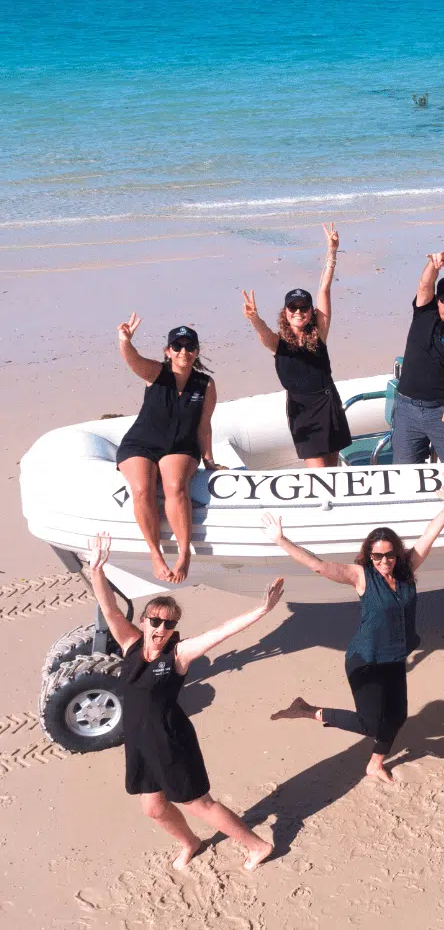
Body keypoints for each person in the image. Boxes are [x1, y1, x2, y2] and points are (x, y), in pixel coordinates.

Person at [85, 532, 280, 871]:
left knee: (197, 802)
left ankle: (257, 845)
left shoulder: (179, 653)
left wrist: (262, 609)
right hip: (140, 742)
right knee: (154, 808)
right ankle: (191, 842)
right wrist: (97, 570)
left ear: (174, 627)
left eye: (168, 623)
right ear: (144, 621)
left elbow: (222, 632)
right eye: (155, 620)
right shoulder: (130, 641)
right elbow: (108, 607)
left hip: (170, 740)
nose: (160, 627)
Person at [263, 475, 444, 782]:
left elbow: (429, 535)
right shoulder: (361, 576)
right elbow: (318, 565)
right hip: (365, 660)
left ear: (397, 553)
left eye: (389, 554)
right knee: (372, 725)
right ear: (369, 554)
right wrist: (281, 540)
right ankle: (306, 711)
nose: (384, 560)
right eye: (377, 555)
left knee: (397, 717)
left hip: (394, 657)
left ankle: (375, 764)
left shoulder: (407, 570)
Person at [115, 316, 218, 583]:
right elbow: (133, 359)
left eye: (189, 347)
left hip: (181, 446)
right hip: (141, 443)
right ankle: (155, 553)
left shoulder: (205, 384)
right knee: (141, 489)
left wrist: (209, 460)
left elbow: (204, 426)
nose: (183, 351)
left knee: (175, 487)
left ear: (197, 351)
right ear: (168, 351)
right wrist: (125, 341)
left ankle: (185, 554)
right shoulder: (156, 373)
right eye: (177, 346)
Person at [241, 223, 351, 467]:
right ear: (286, 312)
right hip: (302, 410)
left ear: (311, 312)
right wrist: (254, 318)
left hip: (328, 402)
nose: (298, 312)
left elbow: (324, 288)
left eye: (304, 307)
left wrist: (332, 251)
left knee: (333, 472)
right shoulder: (278, 344)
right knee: (319, 475)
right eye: (293, 307)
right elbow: (263, 332)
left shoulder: (319, 334)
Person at [392, 252, 444, 464]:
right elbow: (424, 285)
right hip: (406, 409)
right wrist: (433, 264)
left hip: (442, 410)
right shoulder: (423, 311)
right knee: (405, 475)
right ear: (437, 300)